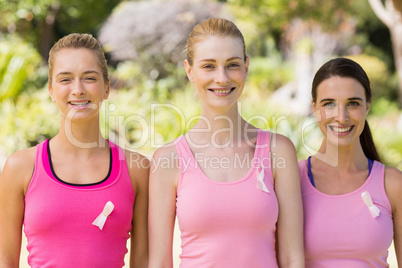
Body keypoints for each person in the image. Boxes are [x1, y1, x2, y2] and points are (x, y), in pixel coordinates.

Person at [149, 18, 304, 267]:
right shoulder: (168, 160)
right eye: (208, 66)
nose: (221, 78)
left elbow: (292, 258)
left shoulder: (278, 151)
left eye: (232, 65)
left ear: (246, 66)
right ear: (190, 70)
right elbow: (159, 263)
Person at [0, 33, 149, 267]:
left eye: (89, 78)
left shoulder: (137, 169)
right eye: (65, 79)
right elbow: (4, 261)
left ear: (106, 88)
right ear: (51, 90)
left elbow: (144, 262)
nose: (78, 90)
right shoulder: (20, 168)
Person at [299, 57, 402, 267]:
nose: (342, 117)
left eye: (353, 103)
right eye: (329, 104)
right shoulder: (291, 180)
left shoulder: (392, 184)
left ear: (367, 106)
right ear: (314, 107)